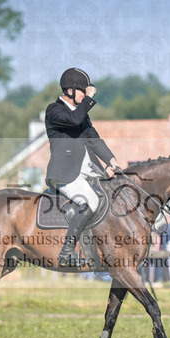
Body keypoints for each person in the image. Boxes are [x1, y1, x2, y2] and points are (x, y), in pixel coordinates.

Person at [45, 68, 121, 267]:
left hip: (87, 172)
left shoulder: (81, 114)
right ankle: (67, 252)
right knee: (91, 202)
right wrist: (89, 98)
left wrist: (111, 161)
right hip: (65, 174)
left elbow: (94, 140)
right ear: (70, 90)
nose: (85, 95)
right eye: (82, 91)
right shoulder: (54, 110)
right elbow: (74, 119)